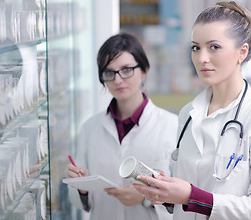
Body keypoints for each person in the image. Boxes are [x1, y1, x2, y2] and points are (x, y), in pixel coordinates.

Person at [134, 1, 251, 220]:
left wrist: (193, 197)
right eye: (195, 47)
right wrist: (168, 195)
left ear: (242, 52)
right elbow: (188, 198)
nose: (202, 59)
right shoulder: (188, 114)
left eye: (214, 47)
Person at [67, 33, 178, 220]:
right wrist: (81, 188)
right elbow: (83, 205)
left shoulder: (172, 126)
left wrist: (146, 198)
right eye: (109, 73)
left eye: (126, 70)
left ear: (144, 70)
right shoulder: (90, 128)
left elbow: (183, 198)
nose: (118, 80)